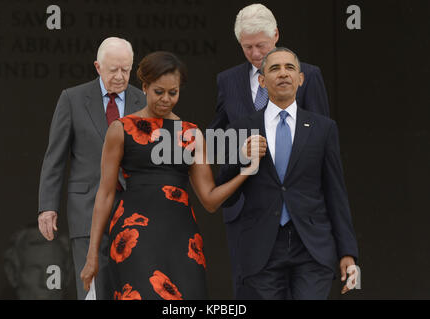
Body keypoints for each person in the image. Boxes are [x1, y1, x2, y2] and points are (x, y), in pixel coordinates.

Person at [80, 51, 267, 300]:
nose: (166, 99)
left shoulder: (192, 133)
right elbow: (105, 193)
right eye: (159, 92)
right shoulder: (120, 129)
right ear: (144, 87)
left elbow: (210, 201)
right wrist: (92, 254)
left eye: (173, 92)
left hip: (182, 238)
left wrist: (246, 169)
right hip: (134, 236)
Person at [208, 3, 332, 295]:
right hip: (247, 209)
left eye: (260, 46)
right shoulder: (228, 80)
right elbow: (215, 138)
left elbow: (322, 140)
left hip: (300, 211)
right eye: (246, 47)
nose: (254, 54)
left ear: (275, 35)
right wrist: (241, 150)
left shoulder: (307, 75)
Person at [217, 47, 359, 300]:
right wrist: (241, 158)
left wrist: (347, 252)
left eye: (290, 68)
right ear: (261, 81)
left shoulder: (323, 128)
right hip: (261, 248)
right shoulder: (241, 128)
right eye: (274, 68)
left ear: (301, 79)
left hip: (313, 247)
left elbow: (335, 191)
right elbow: (225, 195)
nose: (283, 74)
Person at [38, 37, 146, 299]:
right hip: (87, 208)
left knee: (132, 288)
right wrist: (47, 207)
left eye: (126, 69)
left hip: (133, 209)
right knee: (92, 290)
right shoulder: (72, 99)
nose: (120, 77)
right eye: (113, 70)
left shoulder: (142, 99)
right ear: (98, 67)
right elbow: (55, 157)